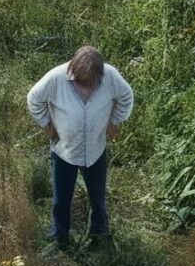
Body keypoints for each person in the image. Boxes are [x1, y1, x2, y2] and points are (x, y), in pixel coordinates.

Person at [26, 45, 134, 249]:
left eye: (89, 82)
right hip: (64, 150)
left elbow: (127, 97)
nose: (84, 86)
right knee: (61, 199)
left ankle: (99, 235)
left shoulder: (110, 76)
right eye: (79, 81)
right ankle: (59, 237)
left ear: (98, 75)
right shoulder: (56, 78)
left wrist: (115, 121)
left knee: (98, 198)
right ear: (72, 70)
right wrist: (47, 125)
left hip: (96, 148)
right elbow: (33, 99)